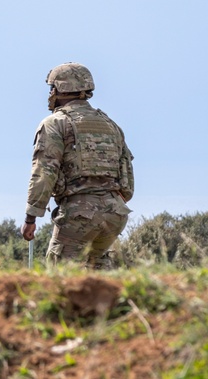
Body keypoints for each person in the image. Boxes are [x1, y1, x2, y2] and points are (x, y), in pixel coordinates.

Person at [20, 62, 134, 269]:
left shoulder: (55, 123)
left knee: (60, 276)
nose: (50, 93)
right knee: (98, 275)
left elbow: (44, 172)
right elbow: (126, 176)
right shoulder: (110, 124)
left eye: (52, 88)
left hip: (79, 213)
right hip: (115, 213)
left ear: (60, 89)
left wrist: (31, 217)